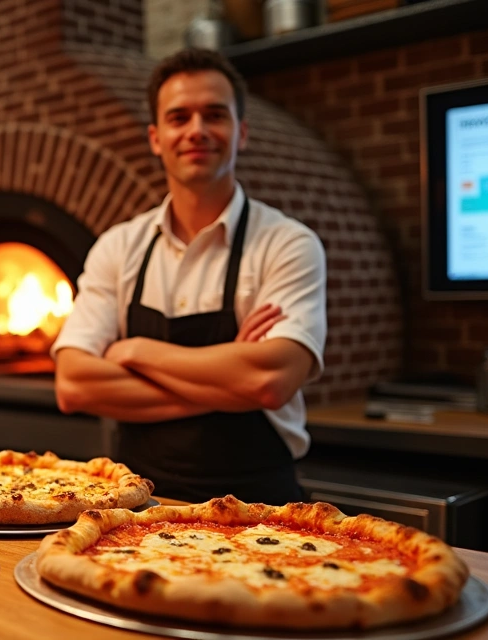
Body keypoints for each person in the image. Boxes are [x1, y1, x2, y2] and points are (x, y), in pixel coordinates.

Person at [51, 48, 326, 505]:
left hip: (262, 511)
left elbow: (270, 380)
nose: (197, 130)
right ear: (156, 138)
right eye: (179, 117)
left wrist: (135, 351)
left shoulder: (288, 244)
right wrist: (230, 378)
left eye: (214, 115)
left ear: (241, 133)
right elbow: (74, 384)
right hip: (137, 508)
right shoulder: (118, 247)